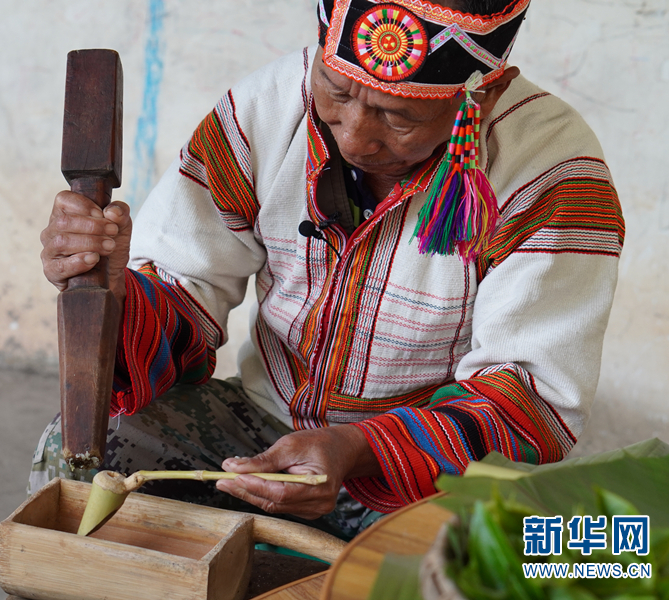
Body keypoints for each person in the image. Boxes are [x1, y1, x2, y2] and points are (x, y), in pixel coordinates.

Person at [31, 0, 624, 540]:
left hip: (433, 479)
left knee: (558, 552)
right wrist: (111, 291)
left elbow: (530, 398)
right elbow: (188, 284)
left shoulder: (554, 175)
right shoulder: (265, 110)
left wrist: (355, 448)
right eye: (336, 92)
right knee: (85, 452)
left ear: (482, 97)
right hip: (263, 427)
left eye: (398, 118)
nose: (356, 139)